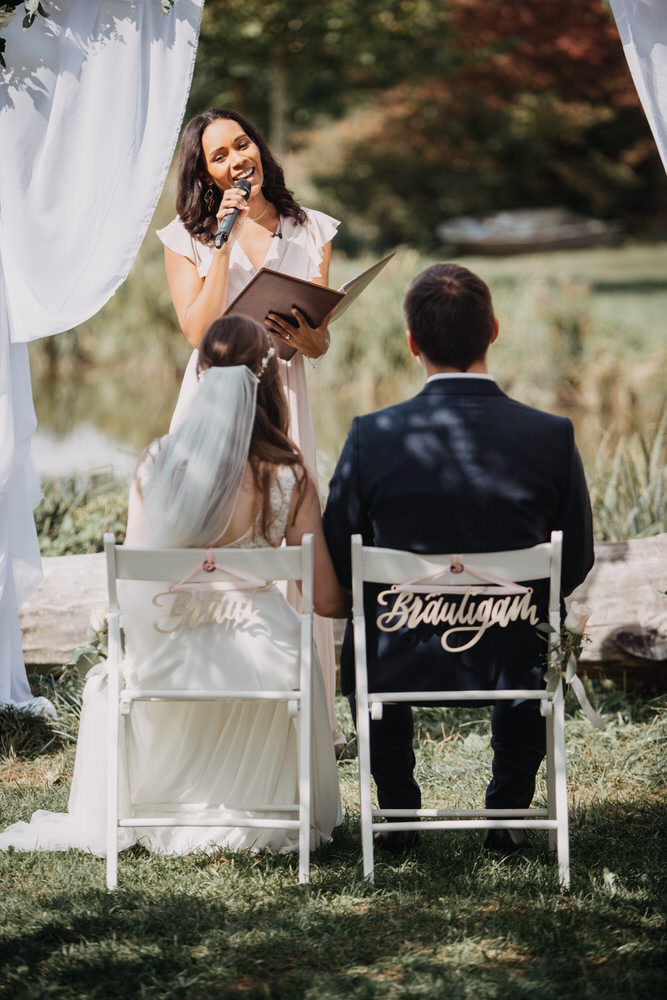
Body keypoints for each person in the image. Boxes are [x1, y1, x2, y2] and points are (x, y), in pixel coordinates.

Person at [0, 316, 347, 858]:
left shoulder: (157, 462)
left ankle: (162, 803)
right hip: (266, 657)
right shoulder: (290, 473)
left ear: (202, 376)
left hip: (171, 649)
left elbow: (140, 576)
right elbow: (327, 600)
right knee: (296, 652)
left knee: (108, 679)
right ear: (268, 382)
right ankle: (262, 805)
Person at [322, 262, 595, 854]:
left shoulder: (372, 436)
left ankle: (396, 812)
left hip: (399, 651)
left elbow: (340, 557)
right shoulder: (551, 435)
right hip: (513, 654)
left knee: (363, 636)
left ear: (412, 343)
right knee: (533, 631)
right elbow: (574, 561)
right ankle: (508, 814)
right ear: (493, 330)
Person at [158, 107, 341, 741]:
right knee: (214, 538)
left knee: (289, 533)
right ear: (206, 174)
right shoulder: (187, 238)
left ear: (258, 147)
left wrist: (310, 340)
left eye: (244, 144)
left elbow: (317, 340)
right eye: (220, 155)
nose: (239, 160)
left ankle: (298, 714)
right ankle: (205, 706)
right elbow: (197, 330)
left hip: (283, 393)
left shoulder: (310, 227)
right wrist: (225, 239)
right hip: (216, 396)